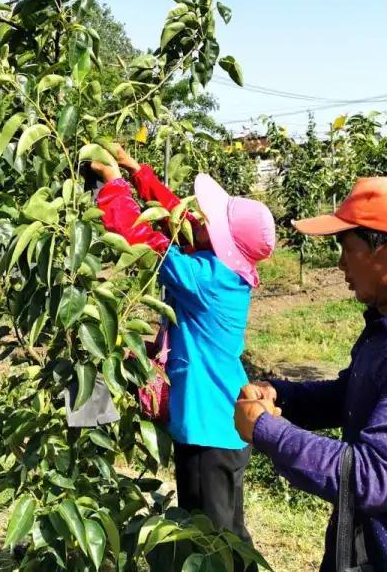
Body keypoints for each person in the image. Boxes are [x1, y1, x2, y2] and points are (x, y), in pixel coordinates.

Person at [234, 177, 387, 572]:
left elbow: (374, 477)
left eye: (347, 250)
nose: (339, 264)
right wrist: (280, 395)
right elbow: (353, 396)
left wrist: (267, 430)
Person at [89, 144, 275, 542]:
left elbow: (142, 239)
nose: (197, 220)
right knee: (228, 531)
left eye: (209, 222)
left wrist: (113, 185)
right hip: (223, 422)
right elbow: (181, 217)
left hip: (208, 428)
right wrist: (137, 171)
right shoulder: (226, 268)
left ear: (221, 241)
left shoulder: (204, 278)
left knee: (211, 539)